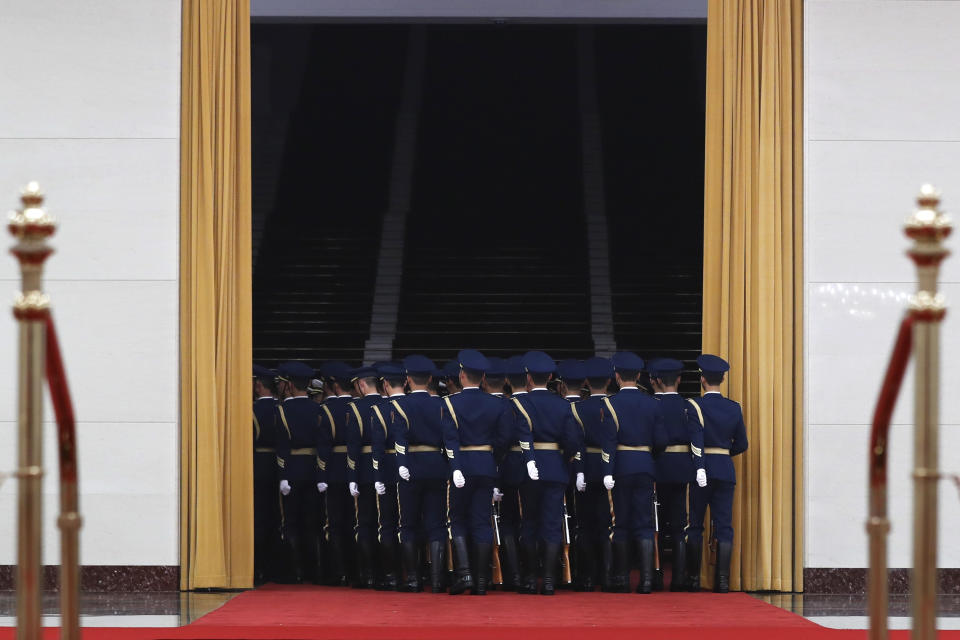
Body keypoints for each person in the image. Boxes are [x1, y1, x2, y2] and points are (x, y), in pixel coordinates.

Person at [441, 350, 515, 595]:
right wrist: (491, 459)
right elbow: (504, 439)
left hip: (461, 466)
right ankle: (482, 581)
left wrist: (456, 467)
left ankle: (465, 575)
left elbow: (450, 440)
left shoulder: (450, 402)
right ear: (483, 377)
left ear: (462, 375)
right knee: (482, 521)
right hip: (485, 465)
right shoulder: (497, 403)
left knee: (458, 520)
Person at [514, 350, 583, 595]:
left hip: (530, 470)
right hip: (555, 468)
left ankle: (532, 579)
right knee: (553, 525)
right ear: (551, 377)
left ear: (528, 378)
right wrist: (561, 459)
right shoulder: (562, 405)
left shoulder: (521, 404)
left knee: (530, 523)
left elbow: (523, 436)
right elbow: (572, 442)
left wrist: (532, 460)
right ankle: (551, 581)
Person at [600, 351, 667, 594]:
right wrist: (648, 458)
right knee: (644, 522)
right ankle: (647, 581)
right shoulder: (653, 403)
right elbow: (661, 441)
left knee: (620, 523)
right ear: (638, 376)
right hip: (645, 465)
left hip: (620, 467)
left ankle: (621, 579)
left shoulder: (609, 404)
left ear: (617, 376)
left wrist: (607, 470)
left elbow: (608, 442)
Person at [684, 354, 748, 593]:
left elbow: (695, 440)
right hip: (724, 468)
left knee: (695, 525)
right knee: (724, 526)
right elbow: (742, 443)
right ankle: (722, 581)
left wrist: (701, 464)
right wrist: (722, 454)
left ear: (702, 380)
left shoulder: (695, 406)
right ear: (722, 379)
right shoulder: (733, 408)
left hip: (701, 470)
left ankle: (692, 579)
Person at [391, 355, 449, 593]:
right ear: (431, 379)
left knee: (408, 524)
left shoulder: (400, 405)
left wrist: (402, 463)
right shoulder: (442, 405)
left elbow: (400, 438)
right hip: (436, 465)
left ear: (407, 380)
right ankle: (436, 581)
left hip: (411, 467)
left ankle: (413, 579)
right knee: (436, 523)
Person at [649, 358, 706, 591]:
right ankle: (680, 578)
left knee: (657, 524)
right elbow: (696, 439)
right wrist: (699, 465)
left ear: (658, 381)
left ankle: (656, 575)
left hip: (657, 466)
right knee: (681, 525)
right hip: (683, 467)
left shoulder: (652, 404)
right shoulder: (690, 406)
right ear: (679, 380)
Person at [275, 361, 330, 584]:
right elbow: (323, 444)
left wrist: (283, 475)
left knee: (291, 522)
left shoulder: (282, 410)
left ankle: (295, 570)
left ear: (289, 386)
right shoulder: (319, 409)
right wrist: (321, 475)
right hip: (313, 469)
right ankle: (314, 570)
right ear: (308, 385)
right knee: (313, 521)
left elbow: (282, 445)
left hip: (292, 470)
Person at [569, 357, 614, 592]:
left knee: (585, 525)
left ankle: (586, 578)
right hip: (610, 469)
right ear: (609, 381)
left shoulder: (577, 408)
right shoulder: (613, 406)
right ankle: (607, 577)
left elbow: (576, 443)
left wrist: (579, 472)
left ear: (587, 381)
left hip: (585, 468)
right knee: (607, 524)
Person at [346, 366, 385, 589]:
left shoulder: (356, 408)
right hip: (387, 470)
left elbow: (353, 446)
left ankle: (368, 574)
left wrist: (352, 475)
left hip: (364, 470)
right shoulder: (389, 404)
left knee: (365, 523)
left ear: (362, 385)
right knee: (387, 522)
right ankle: (387, 573)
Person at [318, 361, 356, 586]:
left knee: (335, 523)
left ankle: (338, 571)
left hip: (333, 471)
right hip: (355, 470)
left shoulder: (327, 410)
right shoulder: (358, 406)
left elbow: (323, 447)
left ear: (333, 385)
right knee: (354, 521)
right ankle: (355, 570)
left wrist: (321, 476)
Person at [370, 363, 405, 590]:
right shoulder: (417, 405)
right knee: (412, 523)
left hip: (388, 468)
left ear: (385, 385)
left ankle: (392, 576)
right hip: (413, 468)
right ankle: (415, 574)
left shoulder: (379, 409)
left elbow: (377, 447)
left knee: (388, 523)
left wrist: (377, 475)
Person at [496, 355, 528, 590]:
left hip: (509, 465)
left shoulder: (505, 405)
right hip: (538, 466)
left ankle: (515, 575)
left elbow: (502, 440)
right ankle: (529, 575)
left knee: (508, 520)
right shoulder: (542, 402)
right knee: (531, 520)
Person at [253, 364, 280, 585]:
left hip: (260, 467)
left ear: (259, 386)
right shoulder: (281, 408)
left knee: (260, 519)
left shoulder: (253, 411)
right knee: (277, 518)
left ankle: (261, 567)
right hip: (282, 466)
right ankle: (277, 566)